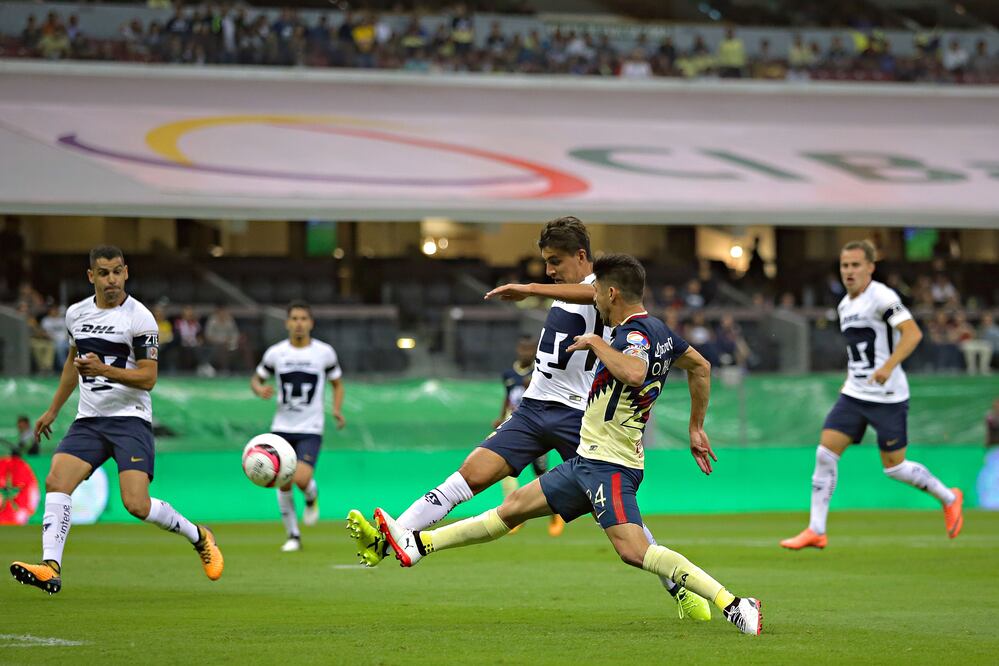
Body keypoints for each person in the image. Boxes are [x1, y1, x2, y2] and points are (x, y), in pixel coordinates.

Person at [373, 253, 762, 635]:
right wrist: (695, 427)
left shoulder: (634, 335)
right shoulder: (661, 330)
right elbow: (701, 367)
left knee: (634, 551)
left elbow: (634, 370)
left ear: (611, 293)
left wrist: (597, 343)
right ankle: (418, 545)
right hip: (586, 462)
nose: (592, 301)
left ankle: (733, 603)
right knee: (511, 509)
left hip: (610, 465)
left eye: (596, 295)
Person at [9, 246, 222, 595]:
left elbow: (149, 378)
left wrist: (104, 370)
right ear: (91, 276)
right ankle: (51, 568)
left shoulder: (140, 318)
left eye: (118, 271)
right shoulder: (76, 314)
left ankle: (199, 536)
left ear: (126, 272)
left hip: (129, 419)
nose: (112, 279)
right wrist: (53, 409)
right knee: (57, 480)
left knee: (136, 504)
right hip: (89, 419)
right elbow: (71, 365)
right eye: (104, 273)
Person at [781, 241, 963, 550]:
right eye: (844, 266)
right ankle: (816, 529)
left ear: (870, 267)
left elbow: (913, 333)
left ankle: (948, 497)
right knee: (825, 453)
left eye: (855, 265)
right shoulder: (844, 306)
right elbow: (859, 352)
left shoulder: (882, 296)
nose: (849, 272)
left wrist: (889, 367)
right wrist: (849, 379)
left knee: (894, 467)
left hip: (888, 395)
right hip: (855, 394)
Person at [252, 301, 346, 552]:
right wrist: (259, 389)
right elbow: (257, 378)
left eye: (304, 318)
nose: (299, 323)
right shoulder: (276, 353)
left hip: (310, 428)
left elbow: (337, 384)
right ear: (287, 323)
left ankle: (311, 495)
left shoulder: (324, 353)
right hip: (281, 427)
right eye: (294, 318)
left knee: (301, 478)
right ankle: (293, 535)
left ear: (311, 323)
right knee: (282, 481)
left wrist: (336, 409)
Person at [495, 334, 564, 537]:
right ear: (518, 349)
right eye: (522, 348)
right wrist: (501, 417)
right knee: (504, 473)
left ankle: (555, 514)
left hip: (535, 428)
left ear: (535, 350)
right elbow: (507, 397)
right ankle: (513, 516)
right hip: (512, 427)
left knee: (541, 475)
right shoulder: (508, 374)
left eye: (529, 349)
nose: (526, 352)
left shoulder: (540, 371)